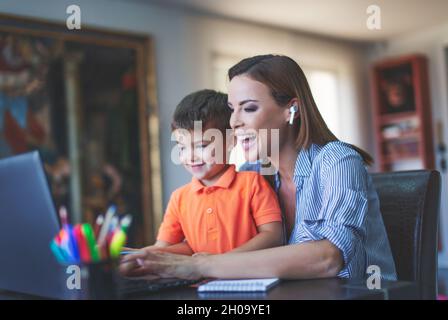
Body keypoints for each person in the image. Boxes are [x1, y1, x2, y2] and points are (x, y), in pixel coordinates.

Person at [120, 55, 397, 281]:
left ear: (291, 110)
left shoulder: (338, 161)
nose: (234, 122)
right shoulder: (252, 172)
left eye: (249, 108)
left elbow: (329, 259)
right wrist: (150, 259)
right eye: (232, 109)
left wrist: (200, 266)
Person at [128, 89, 283, 256]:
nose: (190, 156)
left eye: (202, 145)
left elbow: (273, 236)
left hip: (248, 280)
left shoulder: (252, 183)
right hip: (200, 282)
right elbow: (165, 248)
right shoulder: (179, 199)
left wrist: (221, 261)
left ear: (231, 141)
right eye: (182, 148)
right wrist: (138, 255)